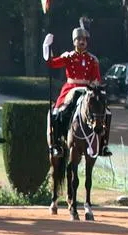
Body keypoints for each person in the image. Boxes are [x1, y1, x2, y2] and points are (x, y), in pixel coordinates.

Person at [44, 17, 112, 158]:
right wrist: (47, 47)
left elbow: (96, 78)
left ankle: (103, 145)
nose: (82, 42)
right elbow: (51, 63)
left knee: (106, 113)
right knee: (56, 112)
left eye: (84, 40)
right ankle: (56, 144)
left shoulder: (92, 60)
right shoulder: (68, 57)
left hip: (87, 89)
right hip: (71, 87)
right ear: (74, 41)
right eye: (79, 39)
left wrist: (96, 87)